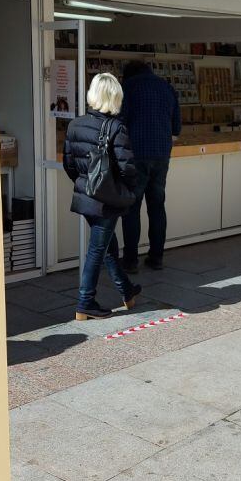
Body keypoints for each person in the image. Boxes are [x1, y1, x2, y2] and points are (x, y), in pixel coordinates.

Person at [63, 73, 142, 320]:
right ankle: (85, 302)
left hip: (86, 198)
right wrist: (128, 191)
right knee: (98, 250)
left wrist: (85, 185)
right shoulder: (116, 128)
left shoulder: (75, 125)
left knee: (107, 247)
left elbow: (69, 164)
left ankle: (127, 291)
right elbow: (127, 167)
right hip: (107, 200)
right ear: (114, 97)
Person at [119, 60, 181, 273]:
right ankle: (156, 258)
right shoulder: (167, 87)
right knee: (157, 207)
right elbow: (176, 128)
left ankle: (130, 261)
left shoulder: (128, 88)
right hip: (161, 156)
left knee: (131, 208)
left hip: (135, 155)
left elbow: (119, 123)